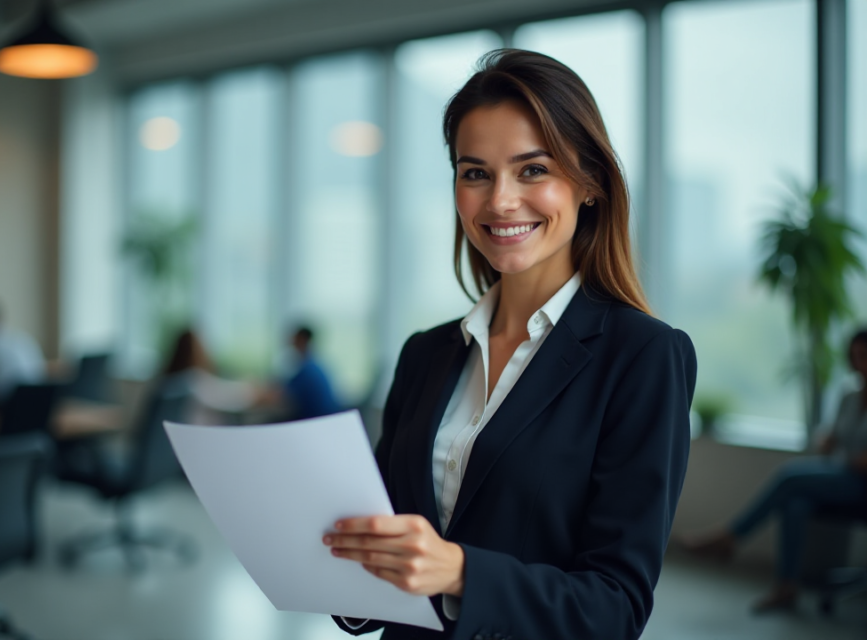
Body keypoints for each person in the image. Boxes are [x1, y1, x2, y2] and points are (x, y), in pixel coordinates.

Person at [323, 49, 696, 640]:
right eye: (475, 173)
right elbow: (384, 543)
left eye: (532, 170)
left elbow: (615, 608)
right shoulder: (426, 353)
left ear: (590, 182)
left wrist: (461, 572)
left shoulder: (644, 357)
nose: (499, 200)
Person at [681, 329, 867, 613]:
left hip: (861, 485)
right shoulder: (850, 396)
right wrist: (827, 441)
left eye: (864, 355)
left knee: (791, 476)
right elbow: (834, 441)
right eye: (855, 356)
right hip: (842, 474)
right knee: (795, 504)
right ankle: (786, 588)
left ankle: (729, 537)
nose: (859, 362)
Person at [282, 326, 342, 420]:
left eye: (295, 339)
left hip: (313, 420)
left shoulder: (308, 370)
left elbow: (284, 394)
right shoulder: (316, 365)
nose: (292, 343)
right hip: (325, 418)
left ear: (302, 340)